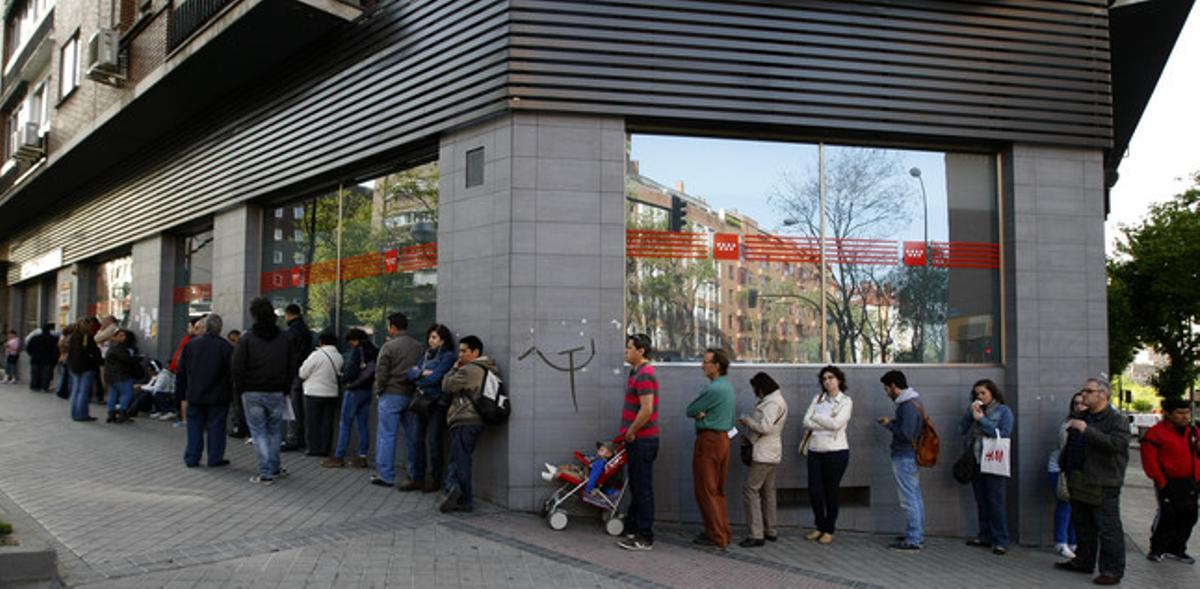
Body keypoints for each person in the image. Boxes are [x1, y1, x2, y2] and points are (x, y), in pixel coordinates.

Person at [1054, 378, 1130, 586]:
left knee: (1108, 528)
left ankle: (1112, 570)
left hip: (1103, 482)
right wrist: (1065, 466)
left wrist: (1087, 430)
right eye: (1083, 391)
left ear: (1103, 395)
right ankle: (1083, 560)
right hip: (1079, 478)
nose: (1084, 395)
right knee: (1083, 524)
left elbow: (1117, 445)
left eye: (1089, 391)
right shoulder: (1083, 416)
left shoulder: (1116, 420)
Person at [232, 298, 298, 485]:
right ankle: (275, 467)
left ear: (254, 315)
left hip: (252, 392)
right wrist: (285, 388)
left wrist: (241, 388)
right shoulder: (285, 338)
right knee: (275, 432)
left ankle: (265, 472)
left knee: (259, 433)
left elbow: (237, 367)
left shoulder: (247, 339)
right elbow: (292, 365)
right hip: (277, 391)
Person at [439, 335, 498, 513]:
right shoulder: (488, 368)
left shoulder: (470, 370)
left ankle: (465, 499)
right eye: (460, 350)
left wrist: (453, 369)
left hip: (465, 419)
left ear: (475, 352)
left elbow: (446, 385)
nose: (460, 354)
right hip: (475, 420)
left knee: (462, 460)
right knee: (458, 459)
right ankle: (455, 491)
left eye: (464, 351)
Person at [685, 348, 735, 549]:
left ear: (717, 366)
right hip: (723, 440)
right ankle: (723, 531)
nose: (702, 366)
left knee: (706, 489)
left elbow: (690, 410)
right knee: (717, 489)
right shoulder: (727, 387)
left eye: (706, 362)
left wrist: (701, 415)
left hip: (709, 441)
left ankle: (716, 535)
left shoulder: (713, 389)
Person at [1141, 398, 1199, 564]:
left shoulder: (1192, 432)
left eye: (1187, 412)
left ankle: (1177, 549)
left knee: (1190, 515)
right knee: (1168, 515)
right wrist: (1160, 480)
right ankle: (1157, 548)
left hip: (1191, 481)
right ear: (1168, 414)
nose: (1185, 416)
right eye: (1180, 413)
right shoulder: (1156, 433)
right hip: (1168, 481)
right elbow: (1149, 460)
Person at [959, 379, 1014, 555]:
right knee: (981, 500)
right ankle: (985, 535)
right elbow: (961, 429)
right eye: (977, 393)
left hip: (993, 461)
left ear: (992, 393)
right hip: (976, 459)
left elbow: (1004, 434)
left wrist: (982, 420)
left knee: (995, 501)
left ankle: (1001, 540)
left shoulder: (1003, 411)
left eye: (983, 393)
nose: (979, 396)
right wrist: (970, 414)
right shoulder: (975, 409)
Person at [617, 334, 660, 552]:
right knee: (636, 485)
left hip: (642, 440)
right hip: (637, 440)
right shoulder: (636, 372)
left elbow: (647, 409)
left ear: (641, 351)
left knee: (642, 488)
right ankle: (633, 528)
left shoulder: (645, 374)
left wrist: (632, 431)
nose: (626, 351)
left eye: (629, 348)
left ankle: (645, 536)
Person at [370, 312, 423, 488]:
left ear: (392, 327)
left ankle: (386, 475)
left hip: (391, 394)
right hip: (412, 395)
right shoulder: (418, 346)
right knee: (412, 437)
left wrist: (378, 390)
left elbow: (381, 373)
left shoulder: (389, 347)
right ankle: (414, 474)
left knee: (387, 435)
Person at [404, 324, 458, 492]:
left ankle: (435, 479)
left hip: (436, 403)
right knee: (416, 440)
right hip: (421, 401)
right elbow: (410, 373)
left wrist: (420, 374)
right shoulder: (426, 354)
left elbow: (435, 379)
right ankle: (417, 478)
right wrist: (421, 373)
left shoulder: (448, 356)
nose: (430, 340)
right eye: (430, 337)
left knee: (434, 442)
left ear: (443, 340)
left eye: (434, 337)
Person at [802, 365, 853, 545]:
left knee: (831, 491)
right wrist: (823, 421)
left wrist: (817, 419)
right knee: (814, 491)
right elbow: (805, 421)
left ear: (839, 379)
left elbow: (836, 424)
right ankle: (819, 526)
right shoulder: (818, 399)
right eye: (824, 379)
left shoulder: (845, 401)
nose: (827, 381)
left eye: (831, 377)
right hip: (815, 450)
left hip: (836, 452)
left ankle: (829, 529)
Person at [176, 314, 234, 468]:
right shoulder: (226, 347)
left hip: (195, 393)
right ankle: (215, 458)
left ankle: (192, 458)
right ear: (220, 328)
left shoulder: (191, 345)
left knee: (194, 427)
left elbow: (181, 371)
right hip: (219, 395)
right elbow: (232, 373)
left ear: (205, 327)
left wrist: (181, 394)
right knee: (216, 427)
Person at [739, 371, 788, 548]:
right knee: (768, 492)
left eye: (755, 389)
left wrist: (748, 422)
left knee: (750, 490)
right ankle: (770, 530)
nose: (754, 392)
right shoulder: (775, 400)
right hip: (772, 453)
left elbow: (765, 427)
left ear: (761, 387)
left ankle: (756, 534)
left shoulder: (772, 403)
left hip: (763, 453)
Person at [877, 369, 925, 552]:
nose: (886, 392)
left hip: (905, 455)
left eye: (886, 388)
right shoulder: (912, 402)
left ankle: (914, 538)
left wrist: (889, 425)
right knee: (915, 496)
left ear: (894, 386)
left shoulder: (907, 405)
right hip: (909, 455)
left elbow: (906, 434)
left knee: (909, 498)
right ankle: (916, 533)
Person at [324, 329, 378, 469]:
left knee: (345, 423)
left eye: (351, 342)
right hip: (367, 390)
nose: (351, 345)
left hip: (354, 390)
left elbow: (352, 371)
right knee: (363, 424)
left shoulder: (358, 351)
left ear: (355, 340)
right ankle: (362, 457)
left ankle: (339, 456)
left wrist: (344, 378)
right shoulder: (374, 350)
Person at [1049, 392, 1086, 559]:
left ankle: (1073, 541)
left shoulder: (1091, 423)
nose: (1079, 406)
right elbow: (1067, 448)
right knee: (1065, 504)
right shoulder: (1068, 424)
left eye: (1082, 403)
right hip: (1061, 468)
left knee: (1076, 507)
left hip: (1079, 470)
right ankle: (1061, 542)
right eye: (1076, 403)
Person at [299, 332, 344, 458]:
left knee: (312, 422)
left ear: (321, 342)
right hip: (331, 393)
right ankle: (325, 449)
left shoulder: (316, 355)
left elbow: (303, 373)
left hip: (314, 393)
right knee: (327, 423)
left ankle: (313, 448)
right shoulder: (339, 356)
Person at [282, 304, 314, 453]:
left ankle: (292, 438)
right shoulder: (306, 330)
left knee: (292, 407)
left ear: (288, 314)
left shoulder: (291, 332)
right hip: (303, 372)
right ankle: (300, 438)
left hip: (293, 373)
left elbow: (288, 354)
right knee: (299, 407)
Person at [66, 318, 102, 422]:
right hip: (87, 367)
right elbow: (93, 352)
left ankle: (75, 413)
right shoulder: (87, 338)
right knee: (84, 392)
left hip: (74, 366)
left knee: (76, 390)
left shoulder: (73, 337)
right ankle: (82, 414)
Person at [103, 329, 142, 423]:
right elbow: (127, 360)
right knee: (127, 394)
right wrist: (138, 358)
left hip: (110, 376)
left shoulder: (111, 347)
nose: (122, 337)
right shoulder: (122, 349)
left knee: (113, 394)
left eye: (123, 335)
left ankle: (111, 414)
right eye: (120, 335)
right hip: (122, 375)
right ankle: (122, 413)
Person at [26, 323, 59, 392]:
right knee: (46, 374)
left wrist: (32, 354)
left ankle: (35, 386)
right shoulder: (54, 339)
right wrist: (54, 359)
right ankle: (44, 387)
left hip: (36, 358)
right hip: (48, 359)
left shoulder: (35, 338)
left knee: (35, 373)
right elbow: (56, 350)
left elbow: (29, 348)